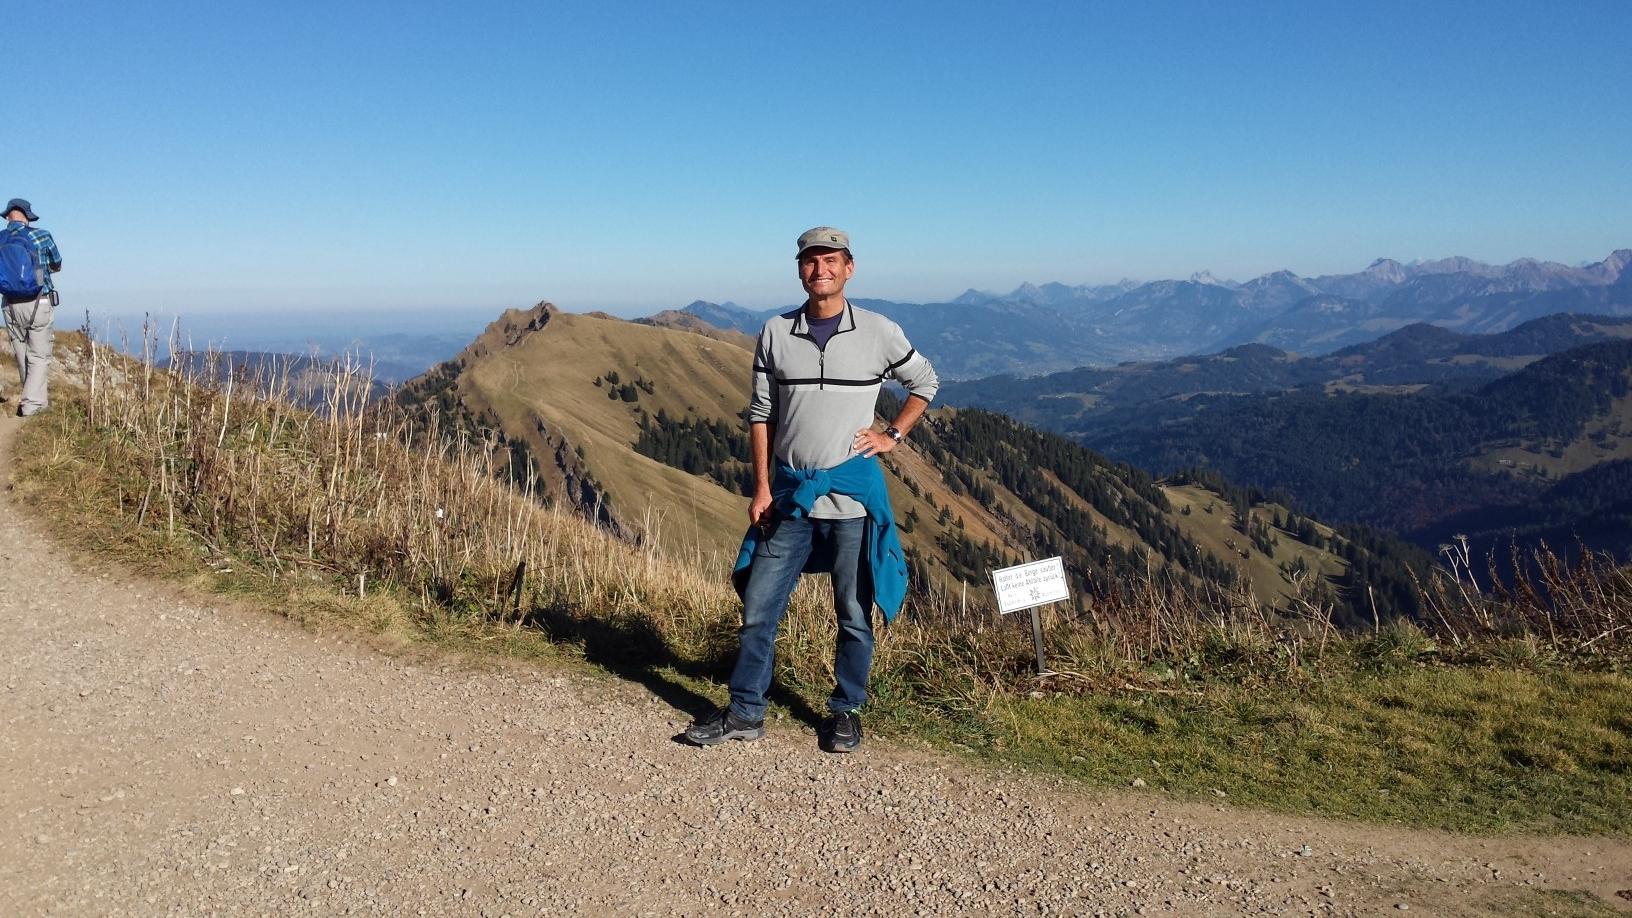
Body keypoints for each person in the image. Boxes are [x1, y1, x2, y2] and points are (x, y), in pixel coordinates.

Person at [685, 226, 938, 753]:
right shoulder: (775, 332)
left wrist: (892, 435)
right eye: (810, 261)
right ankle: (746, 711)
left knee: (853, 613)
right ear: (800, 270)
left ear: (849, 268)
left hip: (851, 499)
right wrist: (760, 487)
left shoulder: (879, 331)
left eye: (830, 260)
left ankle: (846, 711)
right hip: (790, 496)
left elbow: (925, 382)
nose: (820, 269)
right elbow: (761, 414)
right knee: (759, 607)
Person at [1, 198, 62, 416]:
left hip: (9, 304)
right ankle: (33, 407)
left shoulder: (1, 238)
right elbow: (57, 263)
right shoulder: (42, 236)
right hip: (39, 301)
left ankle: (33, 400)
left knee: (22, 354)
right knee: (39, 355)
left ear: (8, 216)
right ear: (27, 216)